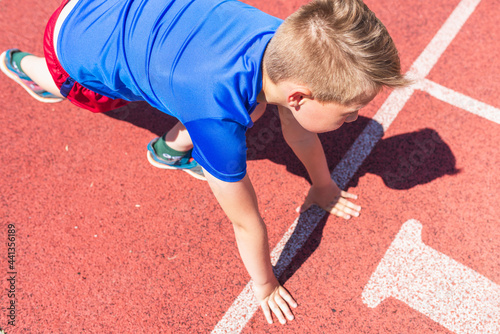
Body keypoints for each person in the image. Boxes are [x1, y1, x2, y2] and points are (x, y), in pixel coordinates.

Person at [1, 0, 409, 325]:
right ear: (301, 96)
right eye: (349, 111)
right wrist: (265, 286)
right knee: (79, 85)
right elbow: (245, 221)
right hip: (71, 43)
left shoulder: (284, 45)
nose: (354, 119)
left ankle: (169, 147)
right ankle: (24, 65)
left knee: (249, 106)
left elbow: (299, 129)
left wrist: (323, 186)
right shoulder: (218, 117)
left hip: (114, 11)